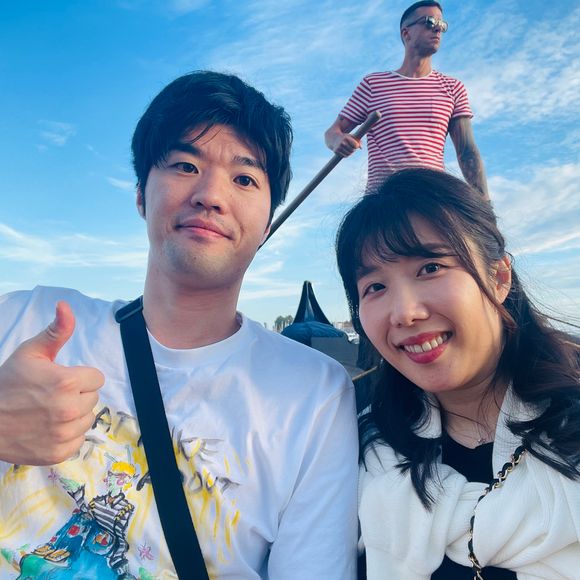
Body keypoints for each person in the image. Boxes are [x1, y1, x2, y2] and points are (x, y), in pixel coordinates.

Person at [0, 71, 358, 579]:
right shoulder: (26, 318)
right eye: (185, 165)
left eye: (244, 179)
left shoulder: (314, 394)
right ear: (141, 194)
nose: (210, 195)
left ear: (267, 224)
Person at [335, 168, 580, 579]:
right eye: (375, 287)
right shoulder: (358, 449)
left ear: (499, 277)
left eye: (430, 267)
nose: (405, 313)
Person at [325, 1, 489, 199]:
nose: (437, 28)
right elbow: (332, 132)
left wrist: (485, 205)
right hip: (383, 200)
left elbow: (467, 152)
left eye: (442, 24)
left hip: (432, 198)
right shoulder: (374, 84)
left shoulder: (453, 87)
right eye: (429, 22)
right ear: (406, 33)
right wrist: (338, 140)